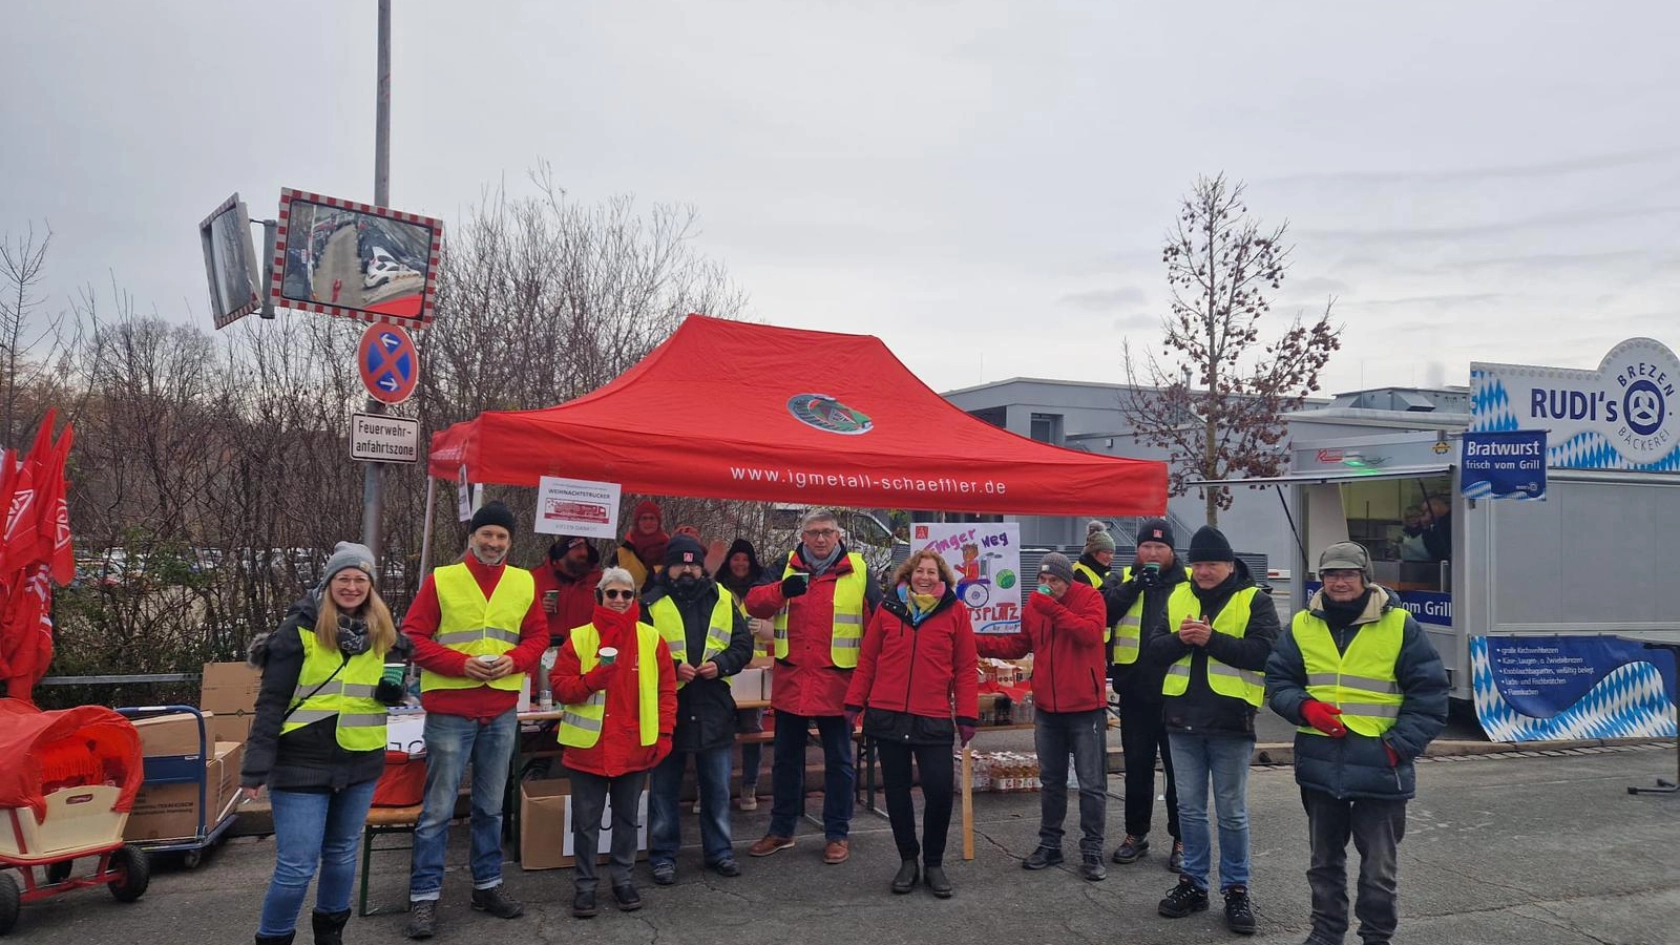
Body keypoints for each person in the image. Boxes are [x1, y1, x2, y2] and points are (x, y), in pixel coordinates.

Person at [1265, 542, 1449, 945]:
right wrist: (1305, 708)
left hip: (1381, 768)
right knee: (1323, 863)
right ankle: (1326, 934)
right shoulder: (1301, 625)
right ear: (1322, 579)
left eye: (1348, 574)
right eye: (1331, 574)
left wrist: (1395, 748)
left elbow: (1431, 697)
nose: (1339, 581)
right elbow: (1277, 683)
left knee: (1378, 869)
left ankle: (1376, 937)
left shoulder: (1400, 625)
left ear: (1366, 578)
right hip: (1319, 765)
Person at [243, 543, 410, 945]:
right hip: (301, 762)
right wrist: (255, 767)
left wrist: (394, 691)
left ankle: (330, 934)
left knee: (341, 855)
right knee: (297, 866)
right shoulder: (297, 631)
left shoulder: (385, 633)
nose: (352, 587)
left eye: (360, 580)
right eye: (344, 578)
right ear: (329, 581)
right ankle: (274, 937)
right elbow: (271, 703)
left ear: (371, 586)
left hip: (360, 759)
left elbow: (390, 688)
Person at [401, 501, 549, 940]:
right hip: (450, 709)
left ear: (510, 542)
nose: (494, 543)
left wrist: (515, 660)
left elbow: (538, 635)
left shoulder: (523, 581)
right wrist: (460, 665)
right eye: (487, 534)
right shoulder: (442, 580)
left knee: (490, 807)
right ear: (472, 536)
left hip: (501, 709)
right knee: (438, 810)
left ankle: (487, 886)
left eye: (502, 537)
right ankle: (424, 897)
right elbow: (412, 636)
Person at [1146, 526, 1279, 935]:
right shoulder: (1178, 595)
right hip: (1181, 719)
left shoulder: (1253, 599)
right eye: (1198, 564)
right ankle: (1194, 883)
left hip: (1231, 722)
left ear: (1229, 564)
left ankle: (1236, 890)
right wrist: (1182, 641)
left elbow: (1265, 653)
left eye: (1212, 564)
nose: (1204, 571)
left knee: (1232, 813)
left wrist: (1210, 639)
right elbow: (1153, 650)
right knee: (1188, 809)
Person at [745, 508, 883, 865]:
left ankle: (837, 834)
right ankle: (782, 830)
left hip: (839, 683)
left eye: (826, 532)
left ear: (838, 536)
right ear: (802, 537)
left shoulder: (860, 570)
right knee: (786, 762)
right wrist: (780, 591)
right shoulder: (784, 565)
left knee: (839, 762)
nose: (820, 539)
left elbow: (880, 623)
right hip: (793, 681)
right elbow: (753, 603)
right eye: (813, 533)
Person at [844, 549, 978, 898]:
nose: (925, 577)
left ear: (942, 578)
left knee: (938, 792)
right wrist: (853, 702)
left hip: (932, 716)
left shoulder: (955, 612)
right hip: (887, 715)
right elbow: (868, 660)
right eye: (920, 571)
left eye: (932, 572)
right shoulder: (888, 609)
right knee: (897, 793)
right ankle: (908, 860)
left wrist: (966, 714)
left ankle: (933, 862)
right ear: (908, 575)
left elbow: (965, 667)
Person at [550, 568, 677, 919]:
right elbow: (560, 687)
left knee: (627, 821)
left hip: (635, 746)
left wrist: (665, 734)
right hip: (588, 749)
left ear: (635, 598)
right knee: (587, 823)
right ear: (600, 597)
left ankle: (623, 880)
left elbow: (667, 692)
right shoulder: (580, 638)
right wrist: (592, 680)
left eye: (627, 594)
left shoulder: (652, 639)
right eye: (613, 594)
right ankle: (585, 887)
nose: (619, 600)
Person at [975, 552, 1110, 881]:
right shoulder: (1035, 607)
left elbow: (1089, 634)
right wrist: (975, 642)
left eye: (1055, 581)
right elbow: (1019, 646)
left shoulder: (1090, 598)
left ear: (1068, 580)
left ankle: (1092, 849)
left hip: (1085, 708)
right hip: (1048, 708)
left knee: (1092, 784)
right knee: (1051, 782)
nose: (1048, 586)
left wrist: (1051, 607)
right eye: (1043, 580)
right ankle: (1050, 844)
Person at [645, 534, 754, 884]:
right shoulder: (649, 602)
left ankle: (720, 853)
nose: (688, 569)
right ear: (668, 567)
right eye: (681, 563)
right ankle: (663, 857)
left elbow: (743, 644)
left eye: (694, 563)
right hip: (668, 707)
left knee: (718, 788)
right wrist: (671, 666)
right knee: (663, 790)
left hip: (713, 706)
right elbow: (638, 651)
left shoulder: (723, 597)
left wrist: (721, 664)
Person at [1101, 519, 1187, 873]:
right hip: (1135, 690)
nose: (1152, 553)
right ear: (1137, 550)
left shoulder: (1187, 581)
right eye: (1146, 548)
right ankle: (1136, 833)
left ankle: (1182, 839)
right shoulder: (1122, 578)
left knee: (1179, 771)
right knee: (1136, 768)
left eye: (1160, 548)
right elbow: (1103, 611)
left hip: (1176, 691)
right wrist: (1135, 586)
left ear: (1171, 551)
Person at [716, 538, 774, 811]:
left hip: (754, 671)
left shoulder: (763, 589)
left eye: (745, 559)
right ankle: (714, 790)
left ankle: (749, 787)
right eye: (735, 558)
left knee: (752, 729)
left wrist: (760, 626)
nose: (740, 564)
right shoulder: (717, 588)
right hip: (723, 669)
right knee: (718, 731)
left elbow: (777, 631)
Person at [534, 535, 604, 647]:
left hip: (586, 651)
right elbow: (519, 618)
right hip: (545, 653)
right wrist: (538, 609)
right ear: (562, 554)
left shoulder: (601, 582)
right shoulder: (535, 579)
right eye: (577, 548)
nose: (583, 553)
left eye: (585, 548)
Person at [617, 500, 670, 589]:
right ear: (637, 522)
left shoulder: (670, 550)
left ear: (658, 522)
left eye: (652, 518)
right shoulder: (622, 553)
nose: (648, 522)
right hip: (627, 602)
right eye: (644, 518)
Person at [1071, 520, 1115, 590]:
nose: (1110, 557)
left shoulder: (1102, 572)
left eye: (1111, 553)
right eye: (1106, 552)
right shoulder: (1079, 573)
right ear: (1093, 552)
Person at [1419, 494, 1451, 563]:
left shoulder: (1446, 523)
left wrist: (1426, 528)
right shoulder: (1439, 523)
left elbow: (1436, 550)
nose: (1427, 514)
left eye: (1427, 510)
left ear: (1437, 505)